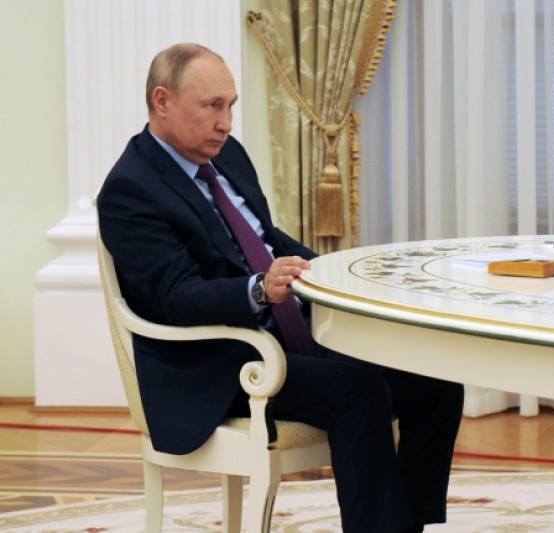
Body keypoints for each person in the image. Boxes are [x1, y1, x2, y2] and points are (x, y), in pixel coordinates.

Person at [97, 42, 464, 533]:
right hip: (220, 363)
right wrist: (257, 290)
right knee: (358, 391)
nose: (226, 123)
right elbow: (175, 297)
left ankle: (407, 526)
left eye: (230, 106)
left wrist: (341, 272)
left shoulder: (226, 155)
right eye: (212, 106)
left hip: (286, 335)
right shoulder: (130, 189)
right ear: (162, 101)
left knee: (435, 381)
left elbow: (266, 239)